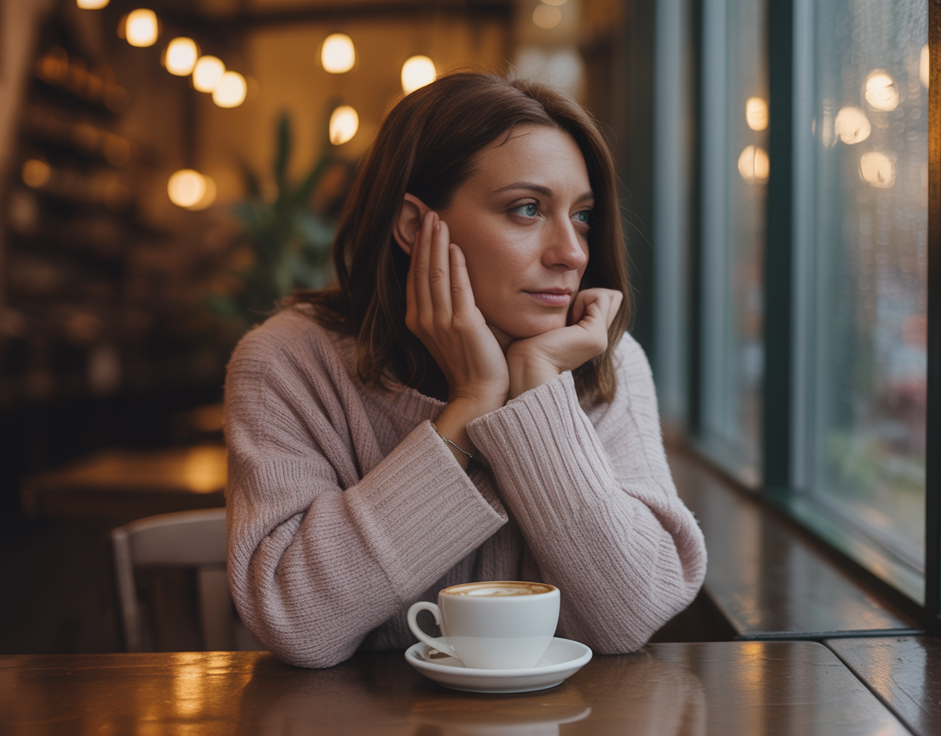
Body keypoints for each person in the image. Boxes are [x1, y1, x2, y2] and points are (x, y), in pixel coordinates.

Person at [223, 73, 707, 668]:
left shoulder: (602, 360)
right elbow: (296, 621)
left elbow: (631, 614)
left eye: (582, 216)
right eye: (527, 209)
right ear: (414, 226)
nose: (573, 252)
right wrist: (473, 403)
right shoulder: (289, 362)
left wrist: (537, 390)